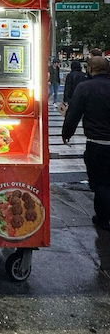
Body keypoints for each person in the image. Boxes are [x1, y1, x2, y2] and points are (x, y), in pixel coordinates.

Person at [62, 56, 110, 230]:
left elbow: (74, 113)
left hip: (97, 143)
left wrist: (66, 133)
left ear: (90, 69)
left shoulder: (86, 88)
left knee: (101, 183)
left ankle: (103, 219)